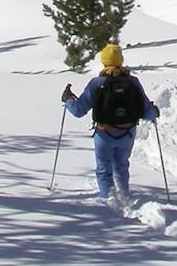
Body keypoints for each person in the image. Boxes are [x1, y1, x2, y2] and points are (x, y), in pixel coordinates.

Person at [62, 43, 159, 204]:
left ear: (103, 61)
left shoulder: (96, 83)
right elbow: (147, 111)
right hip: (127, 132)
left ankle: (108, 200)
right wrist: (154, 111)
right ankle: (124, 195)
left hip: (103, 134)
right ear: (121, 60)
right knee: (122, 165)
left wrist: (68, 100)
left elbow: (79, 110)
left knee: (103, 169)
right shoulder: (133, 82)